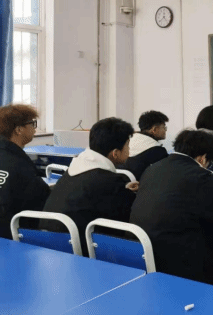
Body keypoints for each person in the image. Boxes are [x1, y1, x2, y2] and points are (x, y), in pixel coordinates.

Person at [129, 129, 213, 289]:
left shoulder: (151, 169)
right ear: (203, 158)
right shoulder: (199, 176)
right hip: (184, 264)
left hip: (146, 256)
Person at [41, 117, 138, 253]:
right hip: (78, 251)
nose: (129, 149)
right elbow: (129, 214)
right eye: (127, 145)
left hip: (47, 242)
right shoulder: (110, 182)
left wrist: (124, 189)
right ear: (115, 153)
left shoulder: (73, 170)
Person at [0, 104, 50, 239]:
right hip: (12, 237)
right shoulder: (19, 164)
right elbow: (43, 198)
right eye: (32, 124)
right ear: (19, 130)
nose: (34, 128)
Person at [123, 110, 169, 180]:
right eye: (164, 127)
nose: (165, 130)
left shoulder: (127, 143)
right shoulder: (157, 151)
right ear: (154, 129)